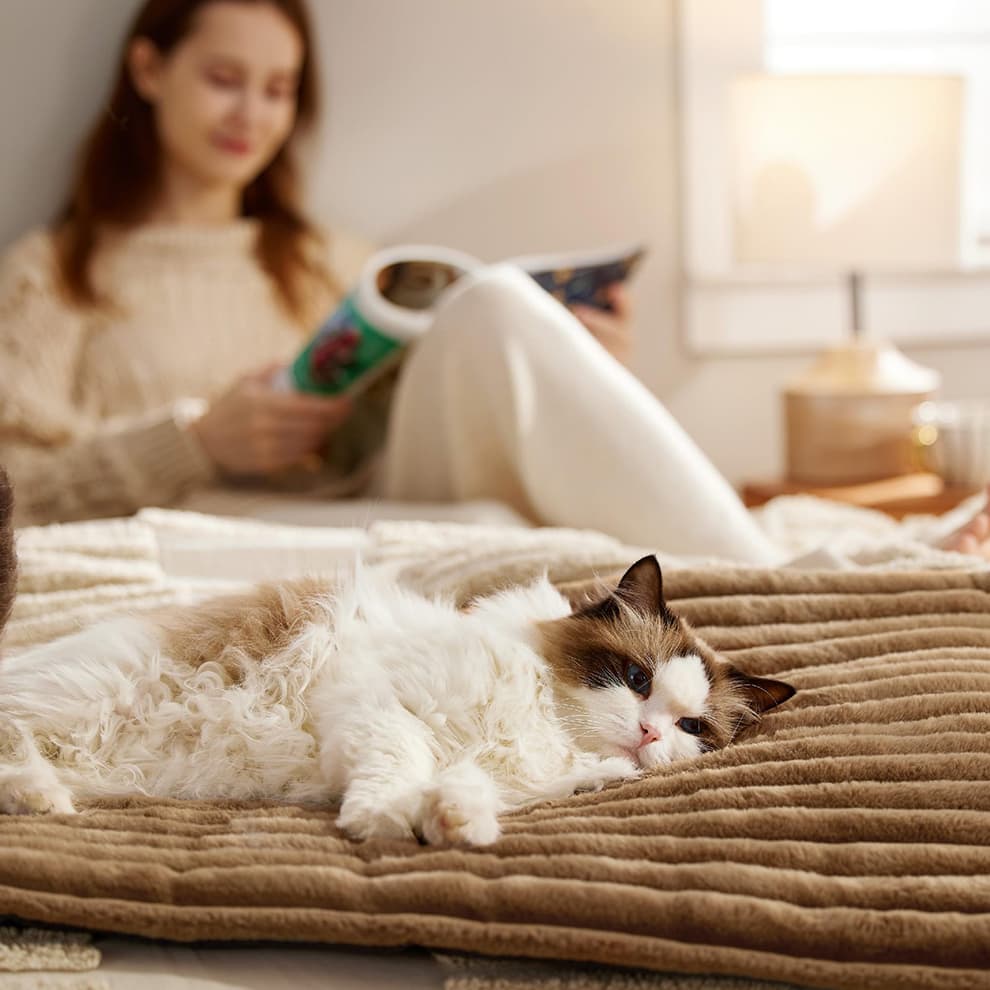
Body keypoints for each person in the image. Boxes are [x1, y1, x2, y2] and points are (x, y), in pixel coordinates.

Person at [0, 0, 987, 566]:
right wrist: (191, 440)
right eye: (225, 77)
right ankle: (802, 580)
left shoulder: (329, 261)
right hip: (219, 534)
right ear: (147, 68)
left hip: (383, 494)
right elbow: (16, 496)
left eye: (279, 87)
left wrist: (570, 368)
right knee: (492, 531)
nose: (252, 112)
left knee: (493, 306)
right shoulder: (52, 276)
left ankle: (782, 572)